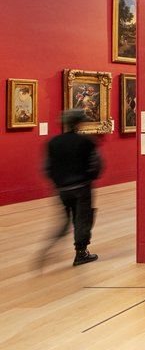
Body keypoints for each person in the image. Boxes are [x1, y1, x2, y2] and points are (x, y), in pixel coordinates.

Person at [41, 109, 102, 267]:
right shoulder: (86, 141)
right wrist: (90, 178)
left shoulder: (53, 142)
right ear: (79, 122)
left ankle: (50, 246)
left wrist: (58, 183)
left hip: (62, 189)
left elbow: (48, 167)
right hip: (81, 186)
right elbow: (96, 164)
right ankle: (81, 253)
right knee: (83, 219)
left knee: (66, 221)